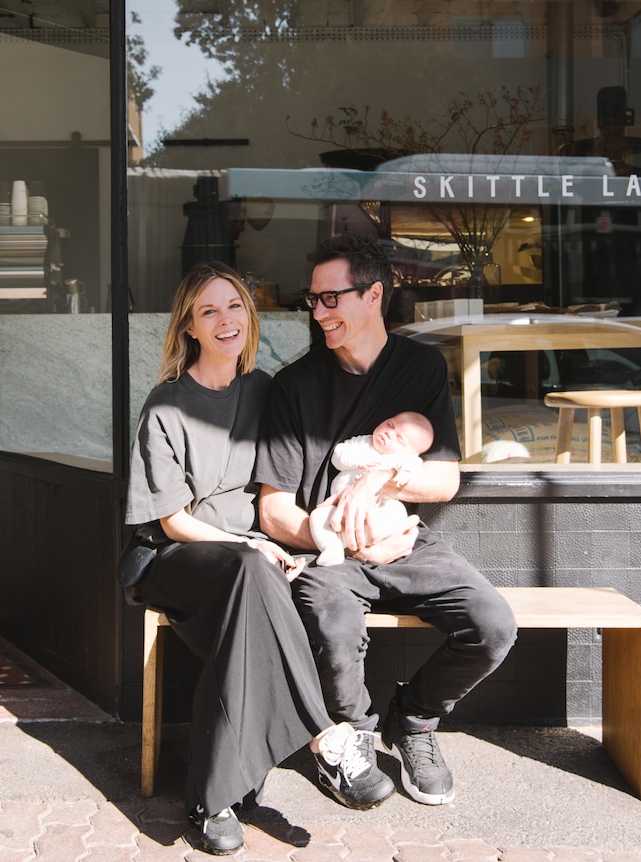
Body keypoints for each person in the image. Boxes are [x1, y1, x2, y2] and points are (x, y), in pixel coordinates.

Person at [255, 233, 518, 808]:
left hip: (403, 539)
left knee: (493, 625)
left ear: (373, 295)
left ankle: (417, 717)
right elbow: (272, 509)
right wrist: (335, 534)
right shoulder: (293, 387)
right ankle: (356, 738)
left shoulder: (420, 367)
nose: (319, 312)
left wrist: (380, 482)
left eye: (333, 298)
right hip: (325, 552)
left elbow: (443, 481)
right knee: (333, 626)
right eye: (313, 300)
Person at [125, 262, 373, 855]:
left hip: (252, 566)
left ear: (250, 317)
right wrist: (251, 546)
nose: (225, 320)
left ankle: (214, 802)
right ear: (189, 326)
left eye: (234, 306)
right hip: (175, 559)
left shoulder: (266, 392)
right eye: (209, 310)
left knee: (245, 629)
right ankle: (323, 739)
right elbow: (173, 521)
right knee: (247, 572)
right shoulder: (166, 406)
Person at [309, 411, 433, 566]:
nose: (389, 433)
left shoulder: (401, 458)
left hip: (378, 509)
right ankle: (332, 548)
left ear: (411, 451)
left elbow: (414, 465)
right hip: (341, 507)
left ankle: (354, 541)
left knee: (398, 513)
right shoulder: (363, 443)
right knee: (317, 517)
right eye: (389, 424)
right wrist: (356, 462)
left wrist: (405, 473)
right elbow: (339, 454)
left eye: (399, 439)